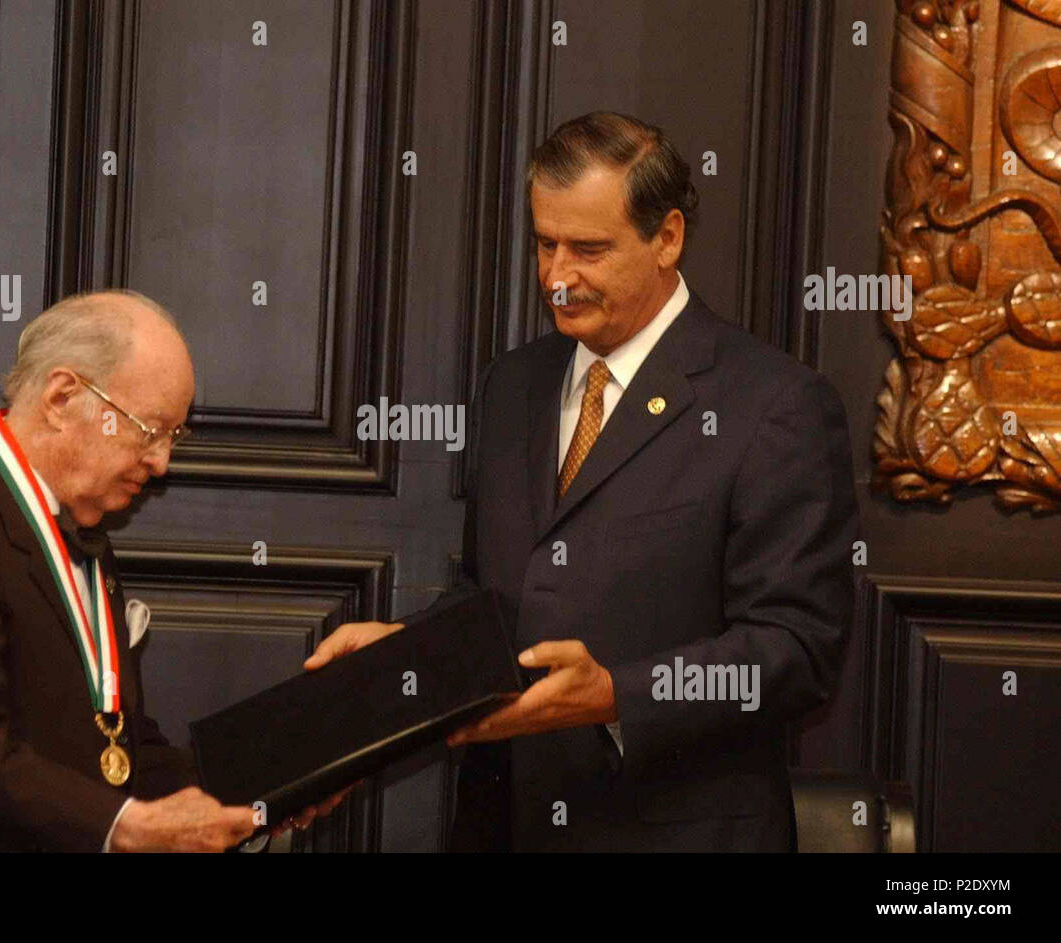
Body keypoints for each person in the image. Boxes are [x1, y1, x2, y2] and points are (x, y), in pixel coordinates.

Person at [310, 112, 859, 851]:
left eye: (589, 250)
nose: (556, 277)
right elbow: (500, 597)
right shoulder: (514, 385)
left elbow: (798, 649)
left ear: (667, 238)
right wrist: (408, 653)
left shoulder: (774, 404)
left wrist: (615, 696)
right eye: (546, 244)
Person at [0, 289, 339, 851]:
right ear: (62, 397)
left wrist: (254, 797)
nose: (161, 462)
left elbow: (114, 747)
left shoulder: (78, 531)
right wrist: (122, 828)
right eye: (150, 429)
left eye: (173, 436)